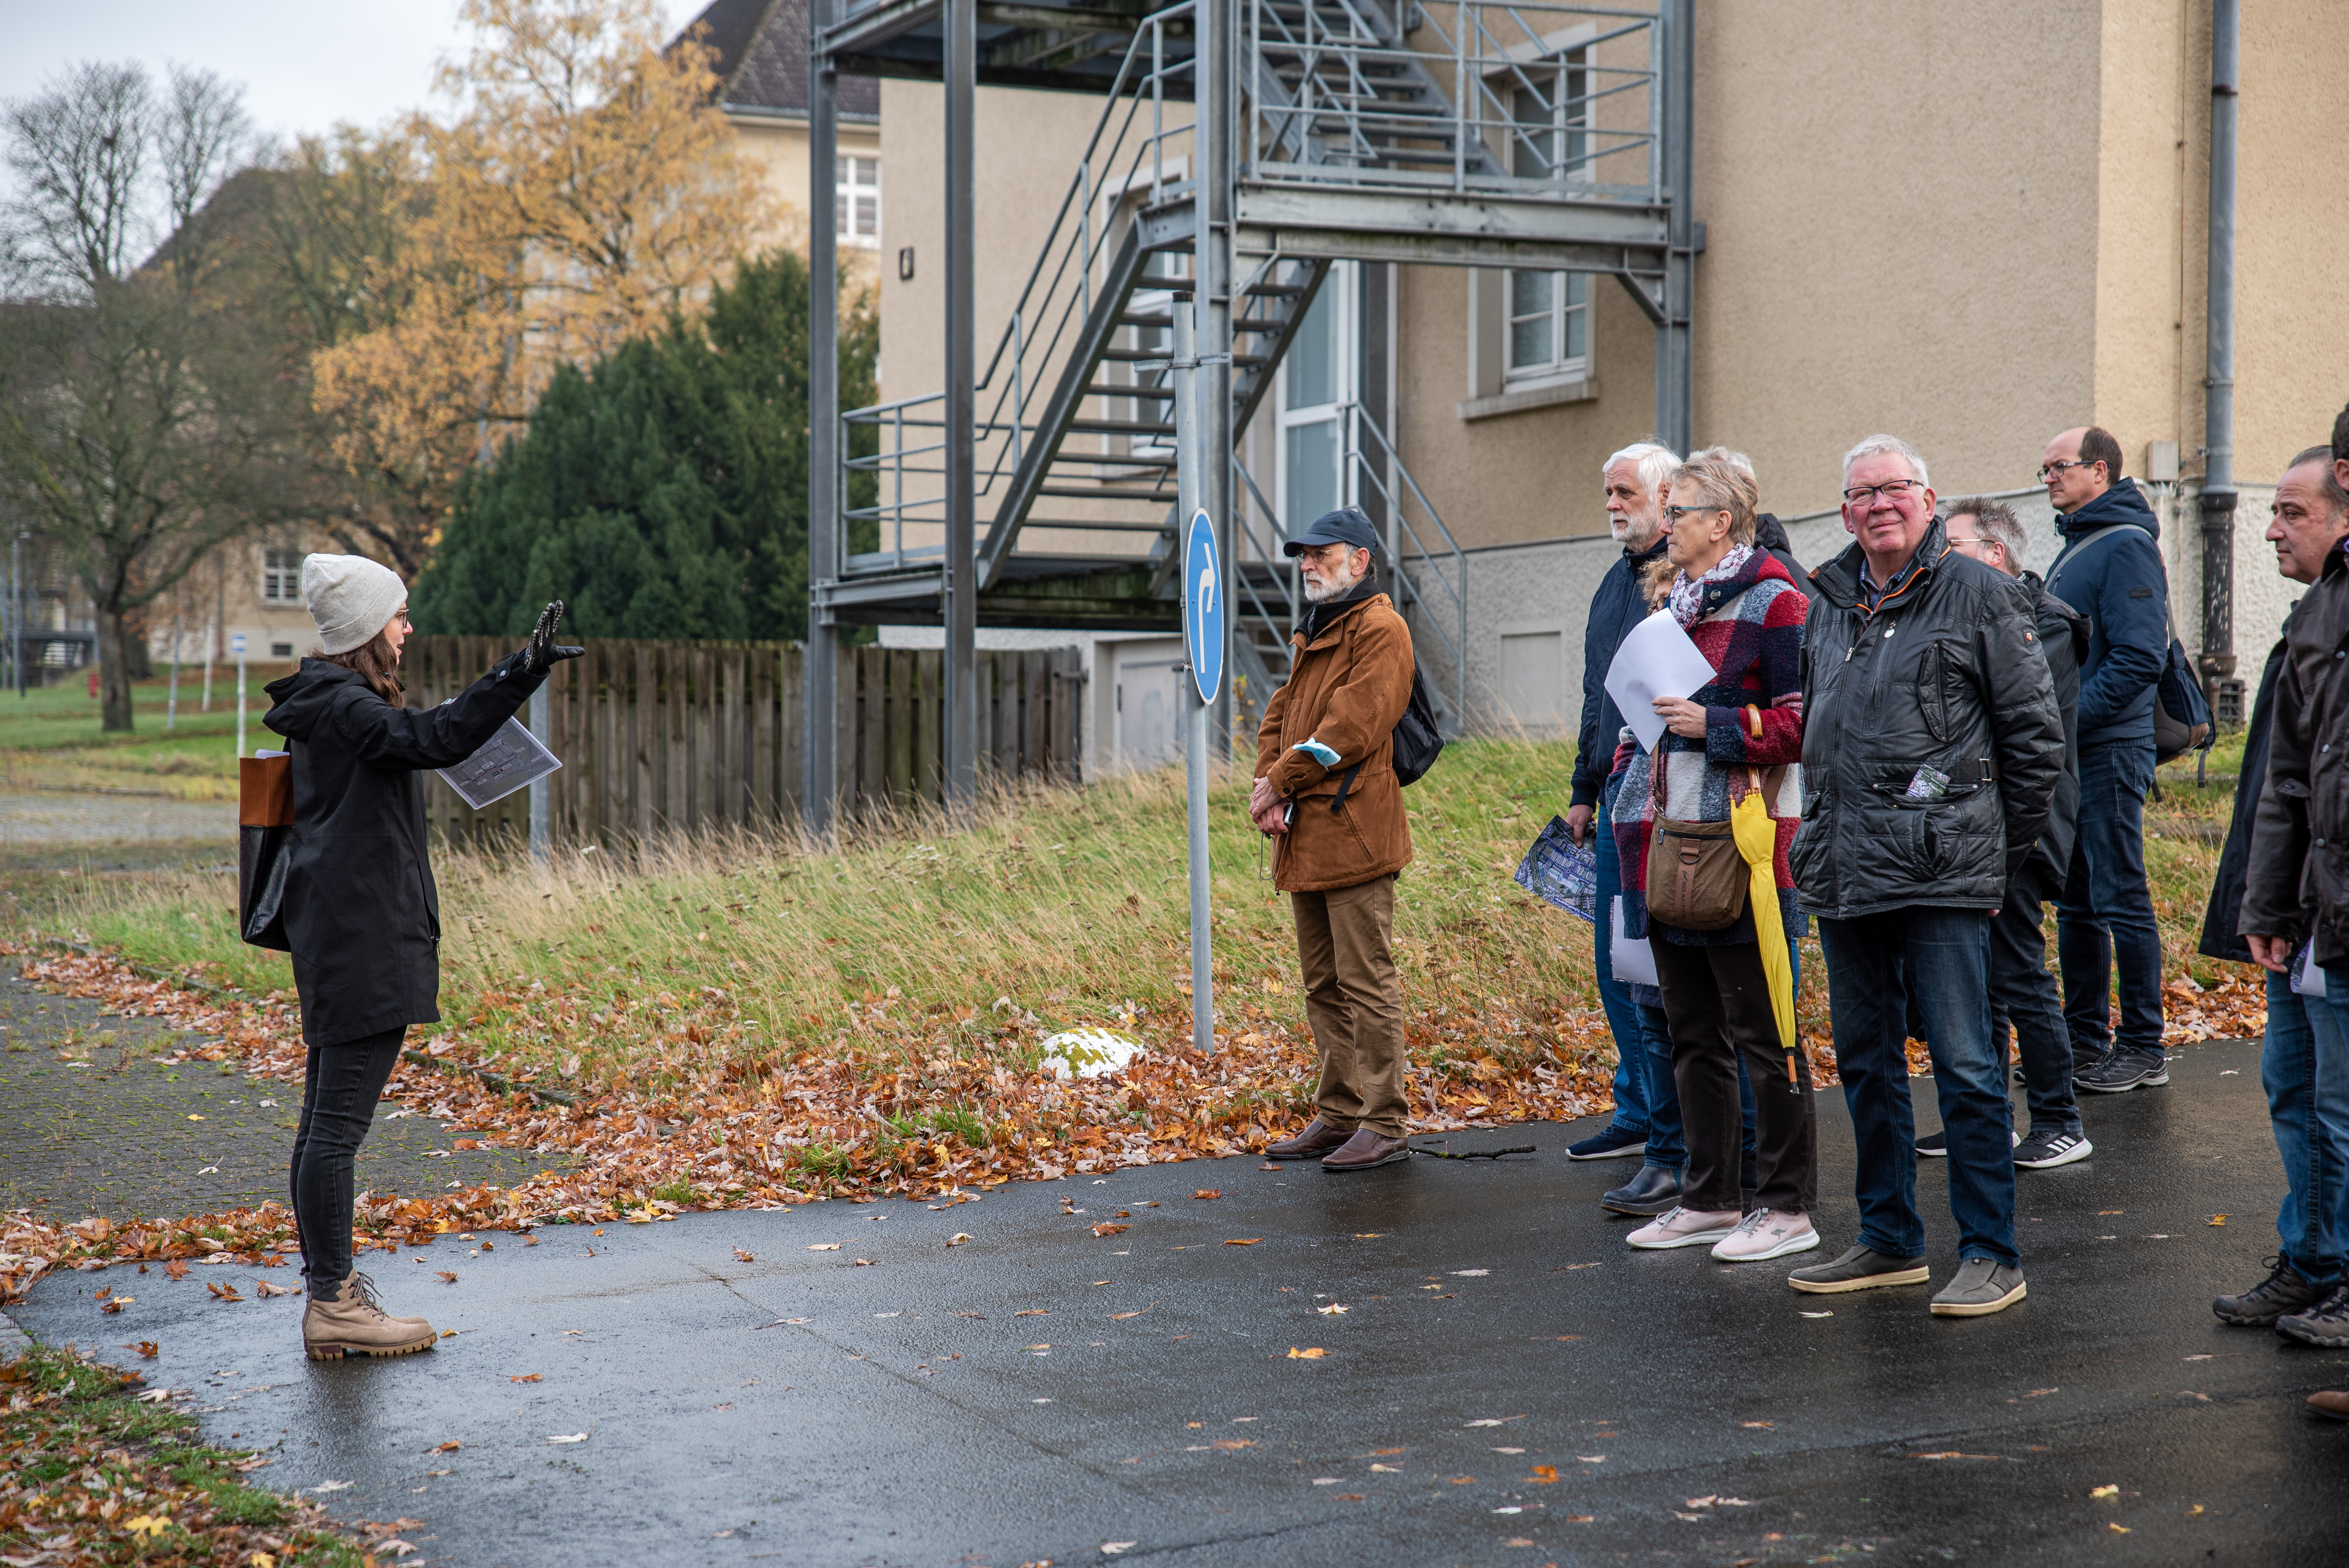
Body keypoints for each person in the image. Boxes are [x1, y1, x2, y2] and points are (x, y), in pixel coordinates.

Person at [266, 556, 582, 1360]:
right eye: (398, 617)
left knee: (322, 1126)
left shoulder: (331, 706)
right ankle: (334, 1302)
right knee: (334, 1129)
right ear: (367, 631)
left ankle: (332, 1292)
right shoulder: (346, 710)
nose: (408, 629)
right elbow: (436, 736)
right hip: (361, 939)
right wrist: (522, 670)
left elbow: (421, 744)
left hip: (346, 932)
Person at [1786, 435, 2064, 1317]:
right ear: (1842, 512)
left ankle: (1991, 1252)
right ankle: (1888, 1237)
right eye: (1860, 494)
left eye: (1894, 489)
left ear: (1928, 498)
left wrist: (1988, 852)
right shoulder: (1826, 599)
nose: (1878, 505)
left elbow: (2033, 742)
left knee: (1966, 1065)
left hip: (1943, 872)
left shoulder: (1979, 592)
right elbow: (1813, 733)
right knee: (1865, 1065)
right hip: (1843, 867)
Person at [1608, 457, 1818, 1262]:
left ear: (1720, 522)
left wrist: (1713, 724)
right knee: (1690, 1028)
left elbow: (1803, 724)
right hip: (1661, 840)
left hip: (1742, 846)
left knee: (1762, 1032)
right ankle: (1707, 1195)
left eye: (1680, 509)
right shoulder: (1674, 600)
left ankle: (1787, 1206)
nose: (1666, 523)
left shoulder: (1777, 600)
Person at [1929, 498, 2093, 1169]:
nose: (1939, 560)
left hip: (2024, 820)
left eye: (1953, 546)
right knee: (1979, 973)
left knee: (2018, 969)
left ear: (1994, 553)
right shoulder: (1964, 616)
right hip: (1970, 818)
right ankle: (1987, 1119)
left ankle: (2060, 1119)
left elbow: (2019, 732)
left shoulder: (2043, 624)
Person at [2234, 437, 2349, 1397]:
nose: (2272, 529)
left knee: (2340, 1109)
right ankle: (2311, 1262)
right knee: (2295, 1092)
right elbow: (2285, 785)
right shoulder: (2313, 618)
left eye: (2292, 512)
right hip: (2306, 910)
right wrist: (2267, 906)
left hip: (2335, 908)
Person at [1254, 507, 1419, 1172]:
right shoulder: (1319, 628)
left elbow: (1350, 727)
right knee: (1323, 984)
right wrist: (1270, 781)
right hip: (1309, 831)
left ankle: (1384, 1122)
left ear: (1361, 561)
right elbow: (1282, 713)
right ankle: (1340, 1112)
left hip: (1354, 833)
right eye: (1304, 555)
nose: (1308, 564)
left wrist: (1281, 780)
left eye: (1322, 554)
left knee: (1365, 982)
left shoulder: (1381, 629)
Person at [2040, 426, 2171, 1093]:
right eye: (2044, 470)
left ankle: (2144, 1045)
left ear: (2100, 470)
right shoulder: (2077, 546)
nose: (2048, 478)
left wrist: (2065, 720)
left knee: (2120, 893)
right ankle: (2084, 1040)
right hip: (2077, 749)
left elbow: (2140, 657)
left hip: (2111, 749)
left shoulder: (2125, 545)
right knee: (2077, 900)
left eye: (2059, 467)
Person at [1565, 442, 1680, 1167]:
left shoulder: (1685, 578)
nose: (1612, 505)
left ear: (1668, 499)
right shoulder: (1615, 584)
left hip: (1673, 804)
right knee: (1618, 961)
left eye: (1625, 494)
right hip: (1614, 804)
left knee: (1655, 966)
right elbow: (1595, 696)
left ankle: (1671, 1123)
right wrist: (1582, 789)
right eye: (1607, 493)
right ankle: (1637, 1107)